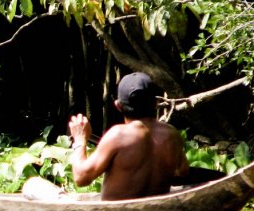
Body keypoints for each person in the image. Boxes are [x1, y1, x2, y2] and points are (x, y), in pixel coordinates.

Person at [67, 72, 189, 201]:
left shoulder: (119, 135)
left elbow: (81, 178)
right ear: (156, 103)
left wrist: (80, 140)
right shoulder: (172, 135)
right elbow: (183, 172)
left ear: (118, 106)